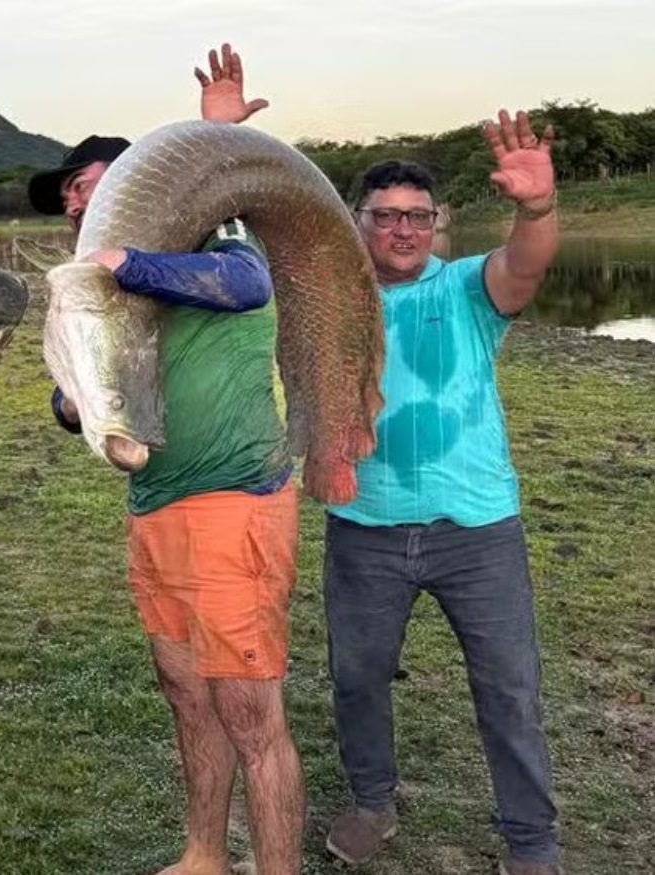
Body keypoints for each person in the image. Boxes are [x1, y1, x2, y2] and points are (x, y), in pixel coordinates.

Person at [34, 44, 303, 875]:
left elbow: (246, 285)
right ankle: (202, 857)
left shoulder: (214, 243)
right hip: (155, 505)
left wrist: (132, 258)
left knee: (251, 715)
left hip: (233, 504)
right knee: (187, 696)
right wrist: (71, 404)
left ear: (135, 188)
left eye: (88, 183)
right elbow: (70, 395)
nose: (78, 202)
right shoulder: (99, 293)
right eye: (72, 194)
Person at [322, 111, 562, 875]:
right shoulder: (329, 298)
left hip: (477, 528)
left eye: (416, 216)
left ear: (437, 222)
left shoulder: (465, 287)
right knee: (356, 677)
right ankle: (371, 802)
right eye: (384, 215)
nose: (401, 229)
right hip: (362, 525)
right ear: (357, 221)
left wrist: (537, 210)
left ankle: (531, 841)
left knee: (509, 688)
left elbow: (523, 267)